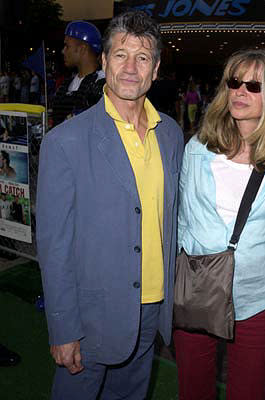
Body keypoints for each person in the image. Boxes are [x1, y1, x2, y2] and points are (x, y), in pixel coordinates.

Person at [36, 10, 184, 400]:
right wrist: (64, 329)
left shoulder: (170, 134)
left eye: (143, 57)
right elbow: (54, 247)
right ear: (103, 63)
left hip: (150, 311)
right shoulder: (65, 141)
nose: (131, 67)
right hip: (91, 318)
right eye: (120, 55)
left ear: (155, 70)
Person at [174, 48, 265, 400]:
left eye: (254, 85)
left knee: (251, 392)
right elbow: (182, 224)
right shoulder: (197, 149)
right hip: (196, 293)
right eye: (235, 82)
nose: (240, 92)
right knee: (194, 389)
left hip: (257, 299)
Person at [52, 20, 105, 127]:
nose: (63, 51)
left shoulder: (104, 85)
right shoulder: (66, 85)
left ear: (82, 49)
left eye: (67, 46)